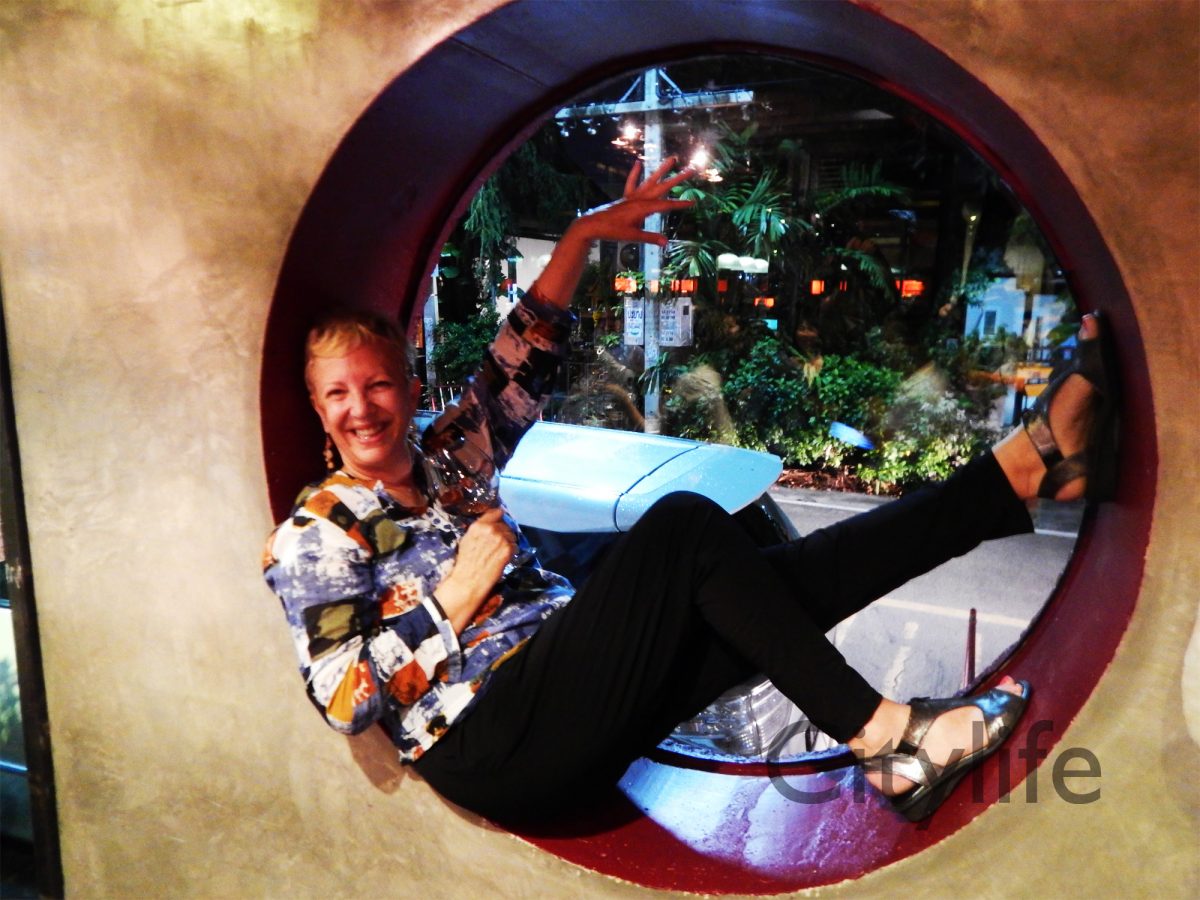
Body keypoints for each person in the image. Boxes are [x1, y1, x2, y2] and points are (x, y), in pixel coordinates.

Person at [263, 159, 1115, 824]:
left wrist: (583, 236)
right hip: (491, 742)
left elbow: (521, 356)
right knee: (680, 527)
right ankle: (887, 737)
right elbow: (342, 698)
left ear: (409, 387)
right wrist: (451, 599)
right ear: (317, 406)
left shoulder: (450, 456)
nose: (361, 408)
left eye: (378, 384)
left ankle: (1022, 469)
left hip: (569, 697)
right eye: (339, 393)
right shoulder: (317, 532)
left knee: (781, 581)